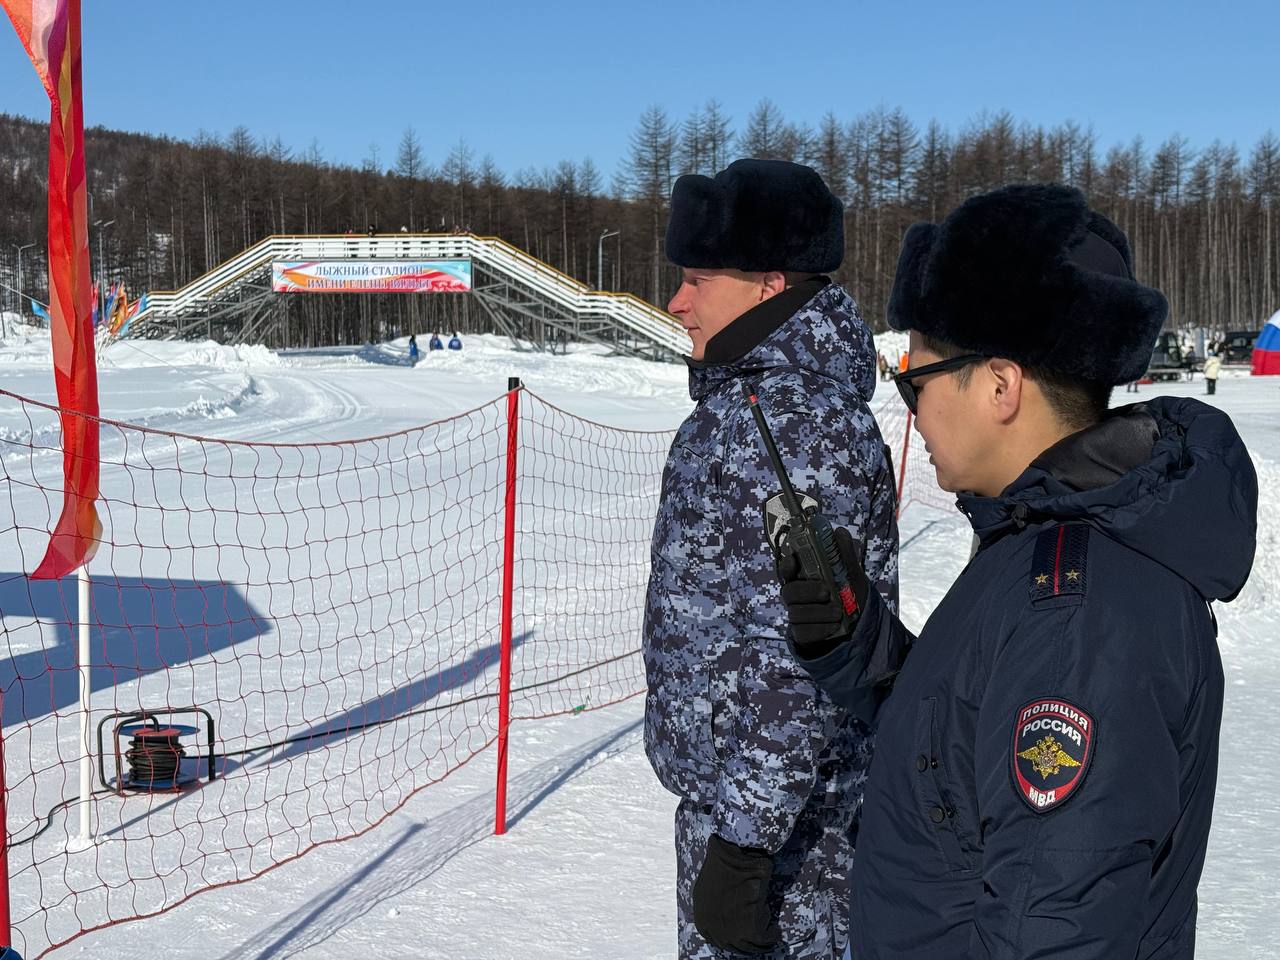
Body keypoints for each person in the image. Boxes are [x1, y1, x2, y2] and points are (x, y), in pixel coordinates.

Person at [779, 184, 1258, 959]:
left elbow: (1056, 926)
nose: (913, 412)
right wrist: (858, 649)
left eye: (918, 381)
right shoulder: (1039, 537)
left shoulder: (1076, 609)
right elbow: (969, 764)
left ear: (1000, 386)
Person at [644, 158, 899, 960]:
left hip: (790, 842)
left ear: (768, 285)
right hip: (752, 816)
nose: (676, 302)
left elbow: (800, 652)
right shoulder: (749, 405)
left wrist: (745, 851)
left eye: (698, 279)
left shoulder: (782, 423)